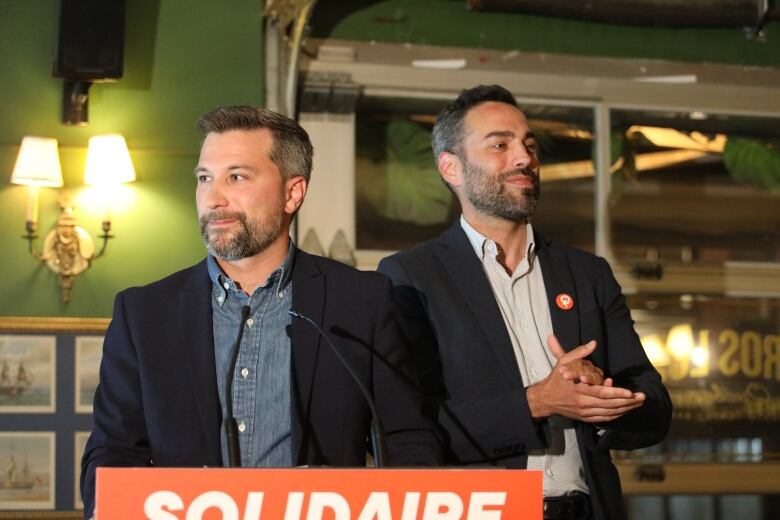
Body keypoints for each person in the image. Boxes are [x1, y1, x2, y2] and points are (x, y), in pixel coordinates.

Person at [81, 106, 442, 519]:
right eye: (204, 178)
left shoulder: (362, 301)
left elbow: (408, 439)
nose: (213, 199)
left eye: (237, 177)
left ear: (293, 193)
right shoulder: (143, 314)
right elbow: (112, 453)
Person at [378, 85, 672, 520]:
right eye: (500, 144)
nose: (524, 158)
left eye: (529, 145)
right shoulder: (411, 276)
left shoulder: (587, 273)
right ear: (451, 167)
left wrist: (603, 402)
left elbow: (655, 406)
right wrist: (540, 401)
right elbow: (409, 431)